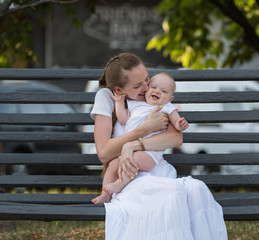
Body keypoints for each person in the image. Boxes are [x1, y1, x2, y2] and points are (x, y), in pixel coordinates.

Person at [91, 52, 227, 239]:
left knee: (196, 189)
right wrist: (144, 130)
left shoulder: (156, 98)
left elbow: (175, 138)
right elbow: (104, 152)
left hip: (155, 166)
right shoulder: (108, 98)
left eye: (147, 79)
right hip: (128, 175)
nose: (147, 87)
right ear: (119, 90)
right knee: (172, 192)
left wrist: (135, 145)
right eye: (138, 85)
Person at [92, 72, 189, 204]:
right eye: (153, 87)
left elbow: (177, 123)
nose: (157, 91)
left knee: (132, 161)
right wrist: (119, 103)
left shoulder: (166, 107)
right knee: (113, 165)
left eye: (163, 91)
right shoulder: (135, 104)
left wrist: (180, 124)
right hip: (129, 151)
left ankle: (119, 184)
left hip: (149, 154)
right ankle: (105, 194)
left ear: (170, 98)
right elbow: (124, 119)